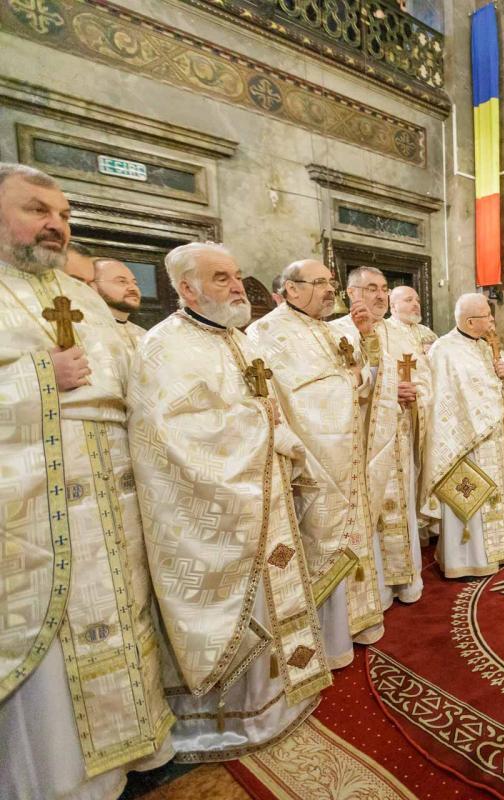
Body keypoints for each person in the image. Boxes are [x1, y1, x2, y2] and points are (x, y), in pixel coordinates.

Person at [0, 163, 174, 799]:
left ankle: (137, 752)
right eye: (36, 209)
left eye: (64, 215)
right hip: (33, 514)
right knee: (54, 649)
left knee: (124, 616)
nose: (56, 225)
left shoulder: (86, 302)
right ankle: (65, 782)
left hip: (113, 496)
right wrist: (36, 377)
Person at [128, 242, 331, 760]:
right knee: (237, 607)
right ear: (186, 288)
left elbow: (269, 406)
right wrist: (263, 434)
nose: (238, 286)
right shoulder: (163, 348)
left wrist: (281, 437)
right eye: (222, 278)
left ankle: (277, 699)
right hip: (216, 511)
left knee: (275, 592)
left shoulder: (240, 342)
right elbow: (169, 440)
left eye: (237, 275)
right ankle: (230, 719)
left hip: (263, 495)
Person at [246, 258, 388, 668]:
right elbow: (287, 397)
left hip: (347, 453)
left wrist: (357, 372)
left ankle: (356, 622)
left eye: (331, 282)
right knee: (318, 542)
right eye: (319, 282)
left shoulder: (328, 330)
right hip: (311, 459)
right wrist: (347, 386)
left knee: (352, 536)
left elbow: (355, 378)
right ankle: (327, 641)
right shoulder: (267, 334)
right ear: (291, 289)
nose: (331, 290)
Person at [331, 267, 423, 604]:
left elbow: (423, 379)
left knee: (402, 508)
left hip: (400, 436)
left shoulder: (402, 333)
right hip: (365, 445)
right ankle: (378, 592)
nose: (380, 295)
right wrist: (386, 390)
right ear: (352, 292)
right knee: (372, 514)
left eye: (384, 289)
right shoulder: (337, 332)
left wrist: (416, 394)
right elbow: (336, 388)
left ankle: (406, 581)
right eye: (371, 288)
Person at [421, 293, 504, 578]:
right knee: (468, 496)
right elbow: (443, 397)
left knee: (492, 495)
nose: (492, 320)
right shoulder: (444, 349)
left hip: (490, 436)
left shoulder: (487, 347)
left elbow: (498, 388)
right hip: (462, 439)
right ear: (472, 320)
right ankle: (463, 560)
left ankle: (495, 552)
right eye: (488, 315)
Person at [386, 285, 439, 546]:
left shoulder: (427, 334)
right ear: (392, 305)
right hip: (403, 413)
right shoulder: (384, 332)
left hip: (429, 412)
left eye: (417, 300)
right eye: (408, 300)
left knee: (427, 466)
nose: (415, 304)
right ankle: (412, 531)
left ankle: (427, 524)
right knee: (407, 472)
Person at [93, 257, 147, 350]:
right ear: (93, 286)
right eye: (122, 281)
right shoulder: (87, 333)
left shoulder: (145, 336)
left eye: (135, 283)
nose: (133, 288)